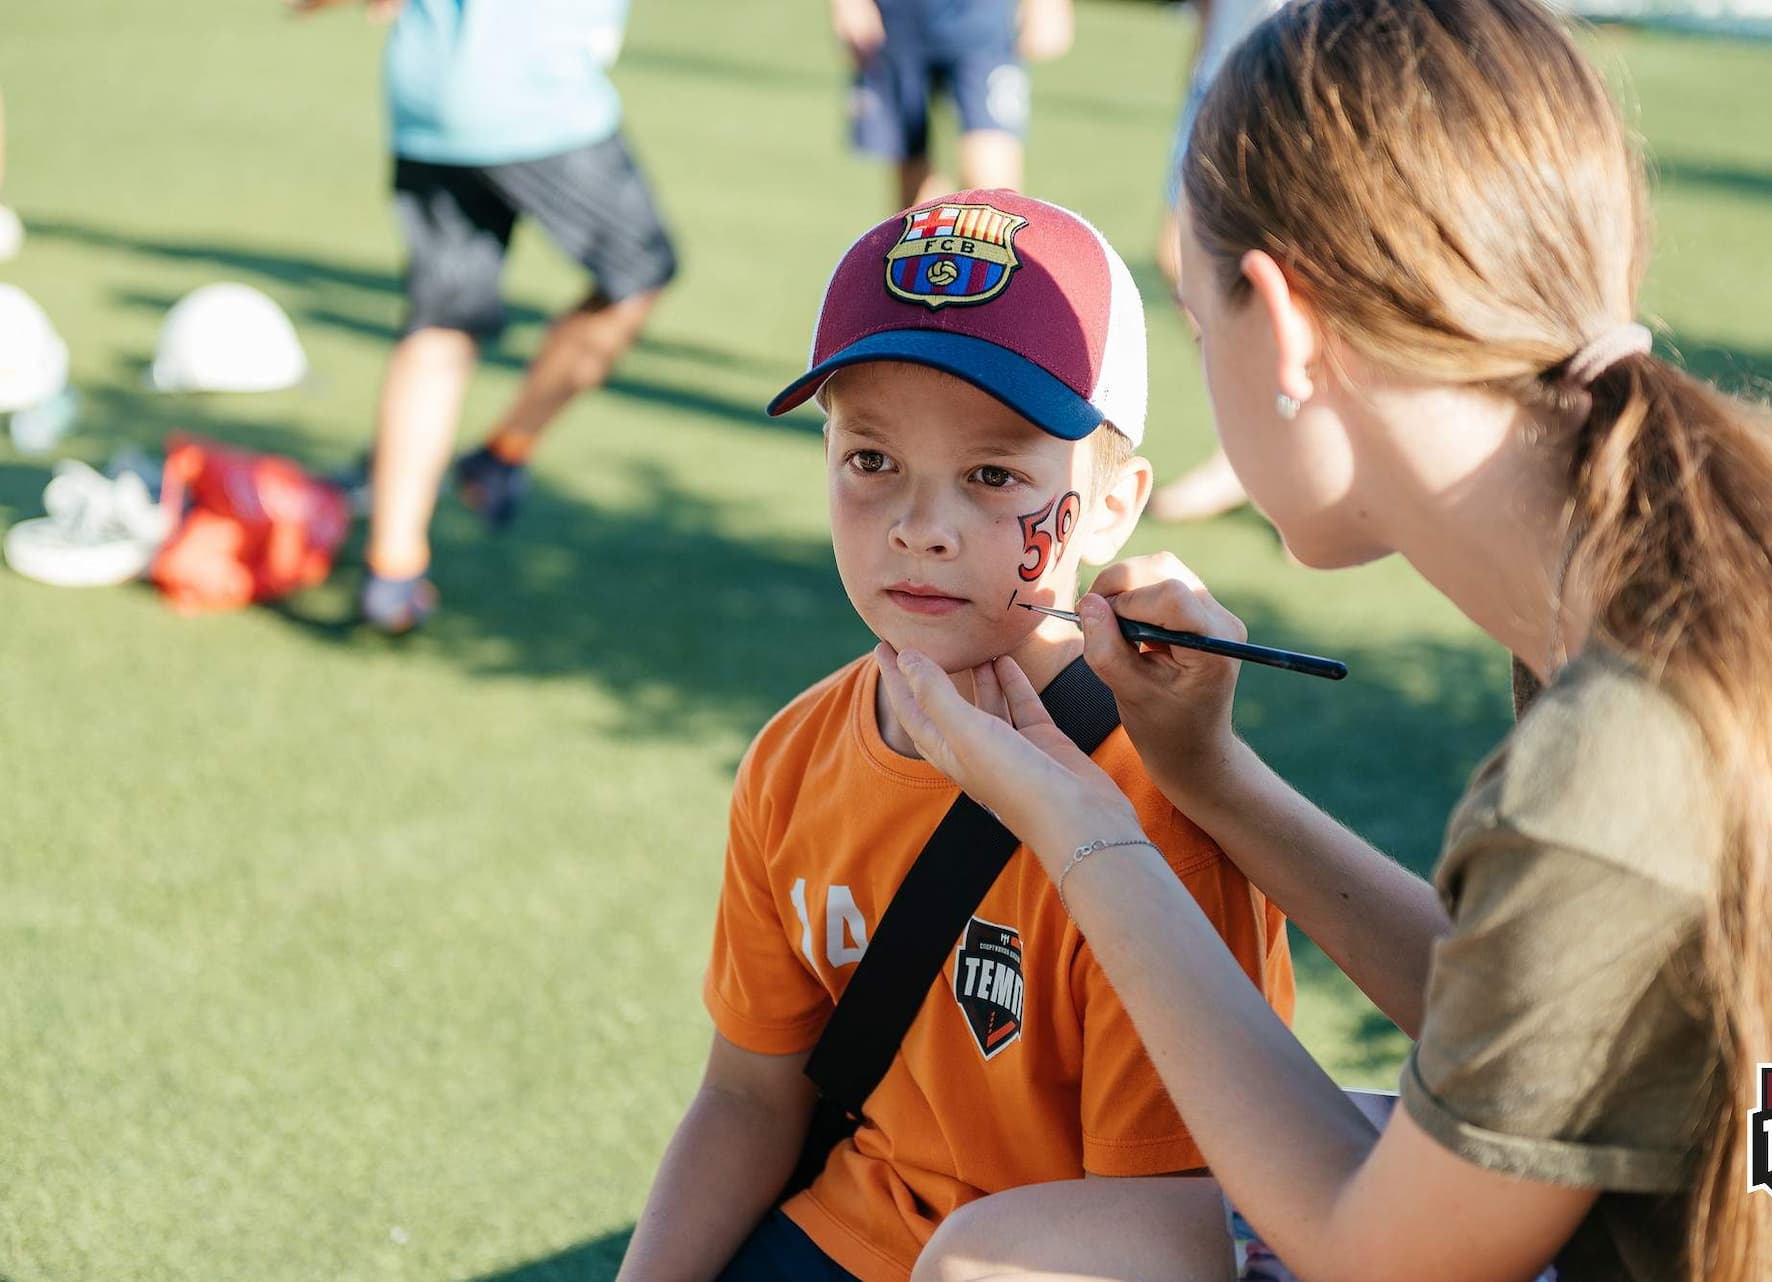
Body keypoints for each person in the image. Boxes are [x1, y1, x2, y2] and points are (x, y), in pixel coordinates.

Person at [870, 2, 1772, 1281]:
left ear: (1287, 327)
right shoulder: (1703, 560)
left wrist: (1085, 823)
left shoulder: (1624, 743)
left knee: (1001, 1267)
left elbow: (1384, 1255)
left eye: (1204, 330)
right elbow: (1546, 1020)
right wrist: (1209, 778)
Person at [613, 191, 1292, 1282]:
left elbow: (1167, 1228)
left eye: (991, 475)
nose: (919, 526)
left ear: (1112, 504)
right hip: (854, 1225)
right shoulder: (795, 755)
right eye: (870, 458)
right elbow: (747, 1096)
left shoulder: (1164, 811)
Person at [295, 0, 678, 632]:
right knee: (639, 274)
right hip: (537, 95)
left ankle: (393, 570)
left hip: (428, 97)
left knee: (440, 324)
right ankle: (502, 453)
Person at [1144, 0, 1283, 526]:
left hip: (1283, 74)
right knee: (1178, 256)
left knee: (1278, 276)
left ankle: (1282, 460)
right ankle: (1250, 448)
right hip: (1218, 70)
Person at [832, 0, 1073, 211]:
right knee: (911, 174)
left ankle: (997, 257)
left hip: (982, 22)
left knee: (991, 179)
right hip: (897, 20)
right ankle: (921, 258)